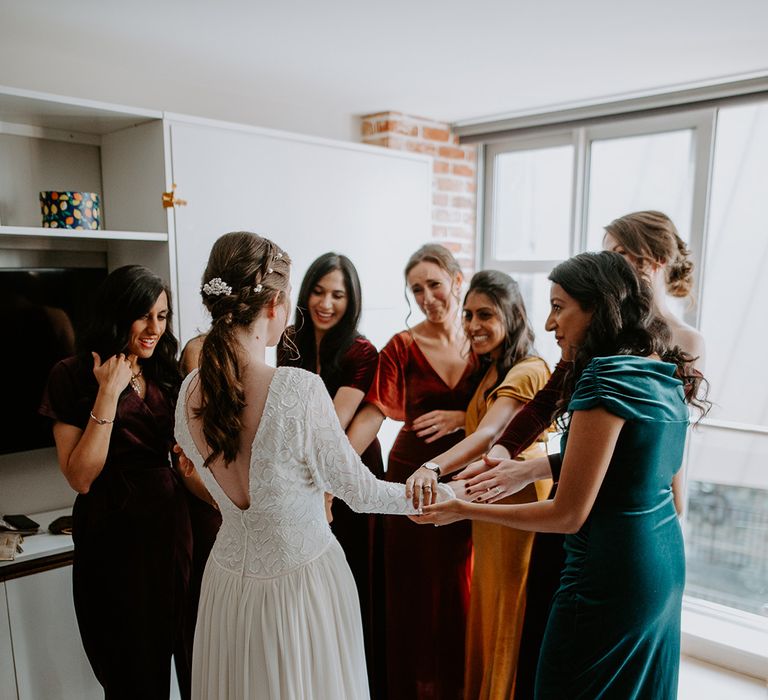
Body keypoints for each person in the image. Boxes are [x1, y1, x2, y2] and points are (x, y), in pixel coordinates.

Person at [173, 231, 454, 700]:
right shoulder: (296, 389)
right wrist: (441, 493)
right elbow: (362, 493)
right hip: (300, 587)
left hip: (226, 587)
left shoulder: (187, 393)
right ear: (278, 303)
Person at [415, 251, 707, 698]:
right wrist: (527, 469)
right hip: (663, 562)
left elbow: (567, 515)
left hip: (608, 569)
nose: (550, 325)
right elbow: (634, 463)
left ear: (597, 307)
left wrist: (462, 508)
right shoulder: (661, 369)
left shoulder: (604, 379)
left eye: (558, 307)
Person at [39, 265, 193, 699]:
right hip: (112, 535)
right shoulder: (70, 374)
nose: (153, 329)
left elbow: (187, 456)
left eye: (162, 316)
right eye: (142, 315)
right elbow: (80, 476)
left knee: (185, 653)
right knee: (130, 671)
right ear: (115, 313)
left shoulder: (165, 371)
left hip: (171, 528)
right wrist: (109, 391)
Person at [405, 270, 551, 699]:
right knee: (488, 607)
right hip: (494, 502)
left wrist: (431, 468)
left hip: (517, 501)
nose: (472, 325)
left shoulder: (528, 370)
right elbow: (485, 418)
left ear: (512, 314)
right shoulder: (493, 371)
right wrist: (456, 417)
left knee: (508, 611)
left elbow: (490, 435)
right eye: (467, 314)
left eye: (485, 314)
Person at [346, 243, 478, 699]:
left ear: (457, 281)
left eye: (434, 285)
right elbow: (374, 413)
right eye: (416, 289)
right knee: (413, 598)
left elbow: (509, 407)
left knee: (459, 593)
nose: (426, 297)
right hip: (409, 480)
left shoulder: (482, 339)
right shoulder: (402, 346)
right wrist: (334, 468)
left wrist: (463, 419)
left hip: (468, 483)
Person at [277, 252, 386, 696]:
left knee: (350, 573)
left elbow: (334, 422)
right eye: (319, 291)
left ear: (351, 300)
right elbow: (282, 411)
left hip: (348, 462)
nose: (326, 303)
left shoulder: (361, 351)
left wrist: (324, 484)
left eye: (338, 295)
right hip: (302, 467)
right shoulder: (289, 342)